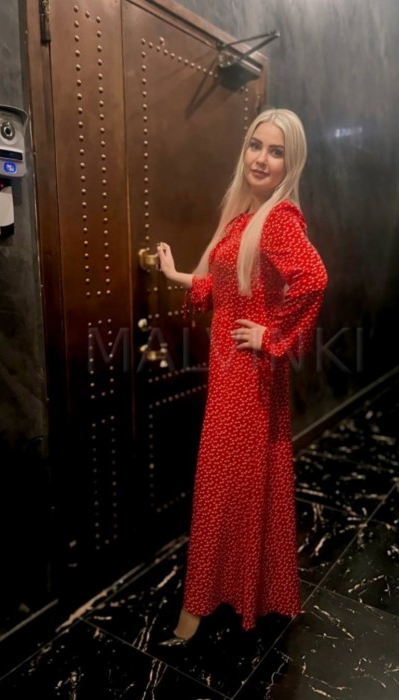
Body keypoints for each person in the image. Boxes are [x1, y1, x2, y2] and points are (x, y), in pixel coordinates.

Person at [157, 108, 328, 644]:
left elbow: (314, 278)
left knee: (222, 480)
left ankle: (198, 606)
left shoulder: (279, 220)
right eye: (256, 145)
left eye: (276, 152)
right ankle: (245, 589)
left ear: (290, 164)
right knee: (241, 480)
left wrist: (272, 337)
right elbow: (223, 287)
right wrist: (176, 274)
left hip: (249, 374)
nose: (261, 159)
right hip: (231, 371)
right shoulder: (241, 219)